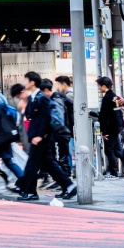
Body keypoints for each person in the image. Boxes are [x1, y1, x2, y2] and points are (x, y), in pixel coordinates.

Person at [15, 71, 76, 201]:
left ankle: (30, 191)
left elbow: (45, 118)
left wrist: (40, 135)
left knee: (32, 165)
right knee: (49, 164)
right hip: (37, 137)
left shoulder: (41, 98)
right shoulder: (33, 97)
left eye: (26, 80)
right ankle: (69, 186)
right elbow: (31, 115)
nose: (24, 83)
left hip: (41, 138)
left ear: (32, 82)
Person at [97, 76, 122, 178]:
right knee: (117, 151)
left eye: (99, 86)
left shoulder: (107, 98)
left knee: (109, 150)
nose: (98, 88)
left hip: (110, 128)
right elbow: (117, 113)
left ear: (103, 86)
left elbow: (105, 116)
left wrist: (104, 131)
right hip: (116, 127)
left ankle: (114, 172)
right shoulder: (114, 96)